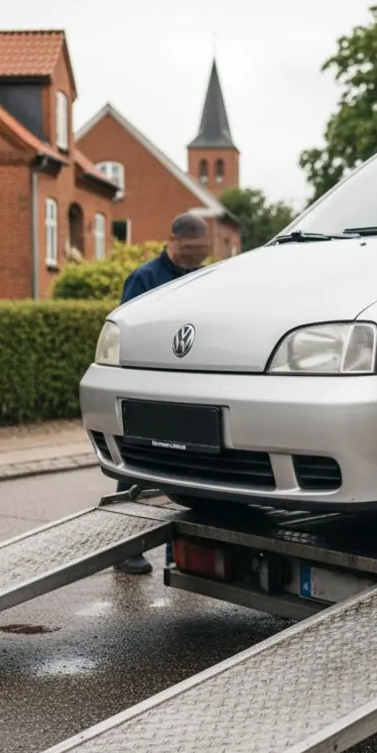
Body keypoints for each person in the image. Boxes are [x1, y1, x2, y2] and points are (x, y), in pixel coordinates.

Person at [112, 212, 213, 575]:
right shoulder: (144, 279)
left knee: (189, 474)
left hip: (192, 391)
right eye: (192, 248)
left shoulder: (204, 278)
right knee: (137, 469)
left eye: (202, 250)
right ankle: (125, 548)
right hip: (150, 389)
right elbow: (128, 331)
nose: (198, 256)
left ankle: (181, 552)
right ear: (173, 239)